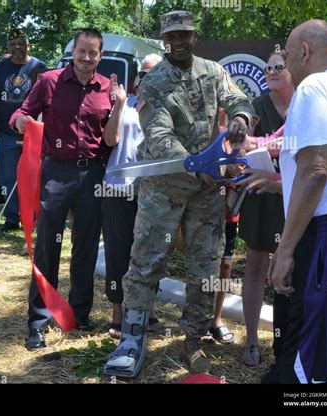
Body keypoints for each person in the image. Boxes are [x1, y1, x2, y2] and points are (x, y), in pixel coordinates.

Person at [104, 11, 254, 378]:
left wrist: (240, 118)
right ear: (164, 40)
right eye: (172, 36)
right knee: (146, 263)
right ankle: (132, 339)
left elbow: (238, 99)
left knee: (206, 268)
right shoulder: (153, 83)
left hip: (205, 192)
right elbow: (158, 137)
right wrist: (194, 162)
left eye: (185, 33)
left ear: (194, 35)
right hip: (164, 190)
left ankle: (194, 340)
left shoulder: (212, 70)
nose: (179, 40)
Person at [9, 28, 126, 350]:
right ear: (73, 51)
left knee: (86, 248)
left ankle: (79, 314)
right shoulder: (49, 81)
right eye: (82, 51)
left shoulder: (108, 89)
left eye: (93, 53)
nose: (87, 58)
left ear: (100, 56)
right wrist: (20, 122)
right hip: (56, 174)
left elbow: (112, 139)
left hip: (93, 175)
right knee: (48, 247)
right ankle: (38, 321)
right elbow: (22, 112)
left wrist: (118, 106)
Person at [269, 19, 327, 384]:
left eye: (287, 55)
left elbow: (316, 169)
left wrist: (285, 251)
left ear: (304, 51)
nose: (285, 64)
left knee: (312, 363)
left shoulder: (314, 86)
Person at [236, 50, 294, 367]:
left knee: (288, 268)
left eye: (278, 66)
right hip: (259, 195)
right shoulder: (256, 106)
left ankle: (286, 344)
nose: (272, 71)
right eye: (268, 67)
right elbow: (242, 148)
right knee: (256, 267)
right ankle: (252, 341)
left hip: (294, 197)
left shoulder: (303, 104)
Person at [102, 53, 162, 339]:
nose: (149, 78)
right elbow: (110, 140)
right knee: (117, 250)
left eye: (156, 73)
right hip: (117, 188)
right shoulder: (124, 105)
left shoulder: (167, 109)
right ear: (138, 78)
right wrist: (119, 104)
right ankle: (117, 312)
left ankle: (147, 310)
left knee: (149, 253)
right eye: (145, 73)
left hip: (152, 191)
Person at [0, 28, 47, 231]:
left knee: (34, 175)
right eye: (13, 44)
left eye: (21, 43)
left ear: (28, 45)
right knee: (7, 177)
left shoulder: (39, 66)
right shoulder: (1, 68)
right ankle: (12, 218)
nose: (17, 47)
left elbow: (47, 98)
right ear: (8, 47)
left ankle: (33, 218)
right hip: (7, 132)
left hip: (33, 133)